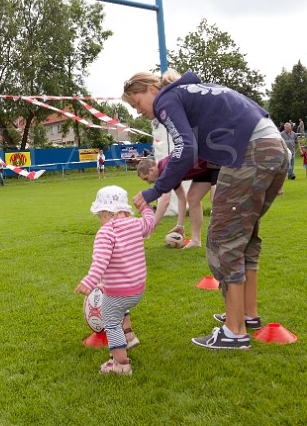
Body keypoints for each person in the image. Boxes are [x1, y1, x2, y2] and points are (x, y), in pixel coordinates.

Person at [123, 69, 289, 351]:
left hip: (250, 153)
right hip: (276, 149)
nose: (140, 112)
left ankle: (233, 332)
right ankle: (247, 314)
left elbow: (185, 149)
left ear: (151, 89)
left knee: (223, 238)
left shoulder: (166, 99)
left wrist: (155, 189)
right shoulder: (192, 93)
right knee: (244, 236)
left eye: (137, 104)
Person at [74, 185, 155, 374]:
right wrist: (145, 207)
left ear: (105, 213)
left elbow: (99, 262)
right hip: (137, 289)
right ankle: (129, 336)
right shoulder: (136, 224)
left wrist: (89, 282)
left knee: (110, 322)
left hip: (118, 293)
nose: (99, 220)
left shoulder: (106, 232)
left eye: (99, 216)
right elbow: (150, 222)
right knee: (120, 308)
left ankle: (121, 363)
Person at [138, 156, 220, 248]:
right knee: (193, 198)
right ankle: (196, 241)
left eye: (146, 178)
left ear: (151, 170)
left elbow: (165, 201)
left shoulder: (165, 169)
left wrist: (151, 225)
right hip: (206, 168)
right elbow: (182, 199)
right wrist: (180, 225)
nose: (148, 182)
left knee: (217, 200)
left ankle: (228, 237)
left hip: (216, 161)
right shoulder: (166, 169)